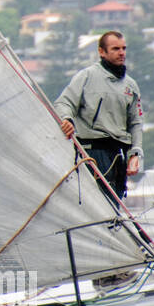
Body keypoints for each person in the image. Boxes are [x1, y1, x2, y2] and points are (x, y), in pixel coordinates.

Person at [55, 30, 143, 203]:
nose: (121, 53)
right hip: (92, 150)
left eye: (124, 48)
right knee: (97, 202)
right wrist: (67, 119)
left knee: (114, 203)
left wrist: (136, 153)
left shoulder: (131, 85)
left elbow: (136, 123)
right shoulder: (86, 76)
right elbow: (64, 102)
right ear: (101, 52)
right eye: (115, 49)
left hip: (119, 154)